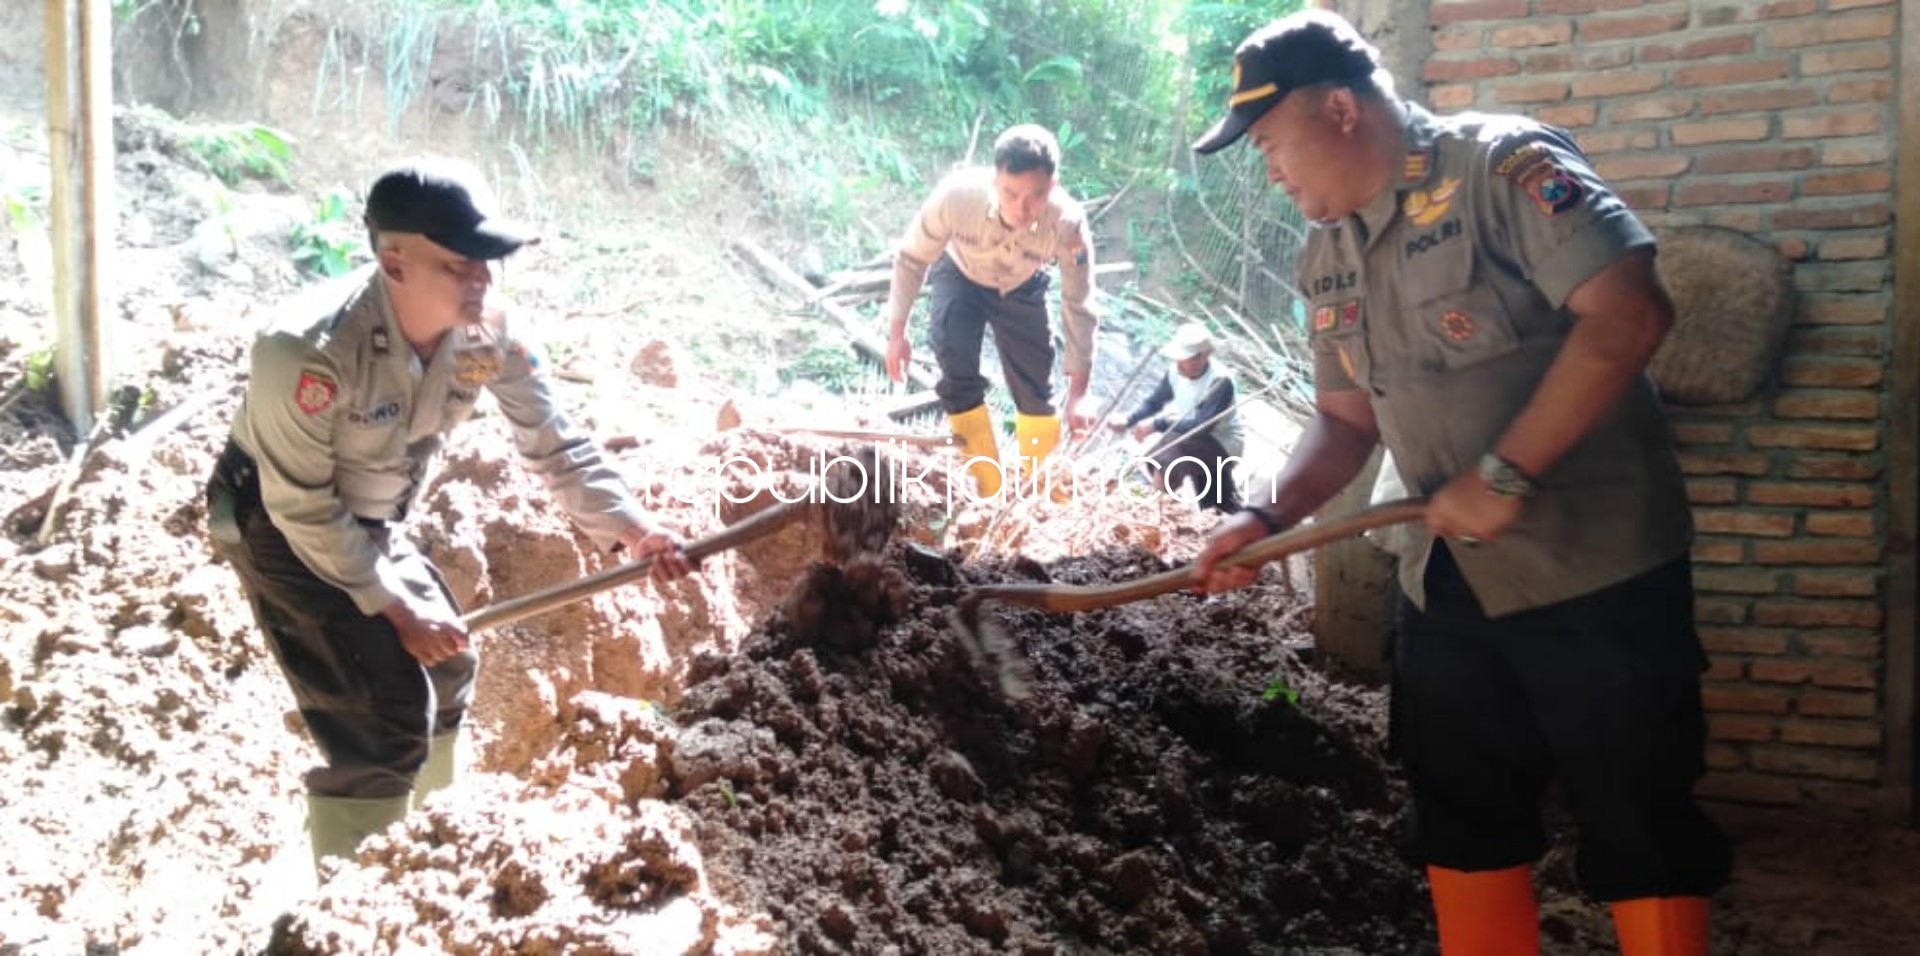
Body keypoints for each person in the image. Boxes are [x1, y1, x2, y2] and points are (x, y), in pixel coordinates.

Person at [1188, 11, 1729, 956]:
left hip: (1593, 569)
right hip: (1446, 581)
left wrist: (1507, 472)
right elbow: (1346, 423)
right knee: (1461, 815)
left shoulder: (1501, 169)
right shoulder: (1328, 255)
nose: (1270, 168)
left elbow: (1631, 312)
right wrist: (1266, 516)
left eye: (1272, 142)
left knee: (1639, 819)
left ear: (1343, 109)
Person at [205, 156, 695, 872]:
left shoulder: (488, 333)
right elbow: (301, 505)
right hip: (277, 521)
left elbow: (558, 446)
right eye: (460, 266)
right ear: (394, 262)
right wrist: (394, 604)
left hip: (369, 521)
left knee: (448, 663)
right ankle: (355, 903)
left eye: (488, 264)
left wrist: (633, 526)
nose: (483, 282)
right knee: (384, 719)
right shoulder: (307, 352)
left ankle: (430, 856)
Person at [882, 124, 1099, 498]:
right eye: (1010, 193)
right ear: (995, 177)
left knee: (1035, 387)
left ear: (1054, 183)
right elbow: (912, 258)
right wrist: (896, 334)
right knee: (953, 359)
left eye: (1036, 196)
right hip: (961, 274)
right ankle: (987, 487)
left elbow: (1078, 302)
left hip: (1021, 286)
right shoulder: (957, 196)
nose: (1021, 208)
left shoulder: (1068, 224)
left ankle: (1041, 493)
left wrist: (1080, 391)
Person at [1108, 322, 1244, 513]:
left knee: (1171, 449)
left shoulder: (1220, 382)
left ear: (1202, 357)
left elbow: (1201, 427)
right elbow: (1155, 401)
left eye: (1185, 358)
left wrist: (1157, 424)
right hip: (1193, 440)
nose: (1179, 363)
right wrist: (1129, 420)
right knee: (1219, 503)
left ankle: (1153, 511)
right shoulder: (1175, 371)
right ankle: (1249, 523)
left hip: (1221, 444)